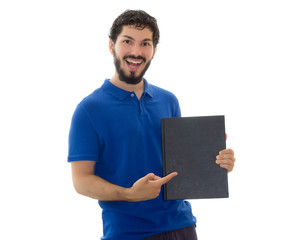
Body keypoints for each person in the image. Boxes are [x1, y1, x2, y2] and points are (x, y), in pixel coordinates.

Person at [68, 9, 236, 240]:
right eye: (127, 41)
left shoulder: (169, 100)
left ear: (154, 50)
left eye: (145, 43)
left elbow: (178, 165)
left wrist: (214, 163)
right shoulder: (89, 109)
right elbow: (81, 180)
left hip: (183, 227)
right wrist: (129, 194)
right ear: (111, 45)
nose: (136, 51)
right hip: (128, 233)